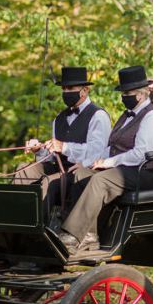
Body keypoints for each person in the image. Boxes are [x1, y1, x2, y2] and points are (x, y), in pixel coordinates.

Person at [58, 65, 153, 253]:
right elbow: (111, 148)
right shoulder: (126, 116)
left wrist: (108, 163)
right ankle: (89, 235)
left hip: (148, 171)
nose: (123, 97)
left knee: (100, 180)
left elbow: (140, 154)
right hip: (127, 168)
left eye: (127, 93)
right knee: (81, 175)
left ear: (140, 95)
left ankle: (73, 234)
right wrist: (88, 163)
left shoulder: (151, 117)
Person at [18, 66, 111, 215]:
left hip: (82, 171)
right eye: (64, 89)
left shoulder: (98, 116)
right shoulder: (59, 119)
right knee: (23, 169)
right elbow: (54, 156)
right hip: (59, 168)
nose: (66, 92)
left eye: (70, 88)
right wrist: (39, 149)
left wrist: (65, 147)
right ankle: (15, 218)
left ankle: (39, 225)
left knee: (48, 182)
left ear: (85, 90)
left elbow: (97, 153)